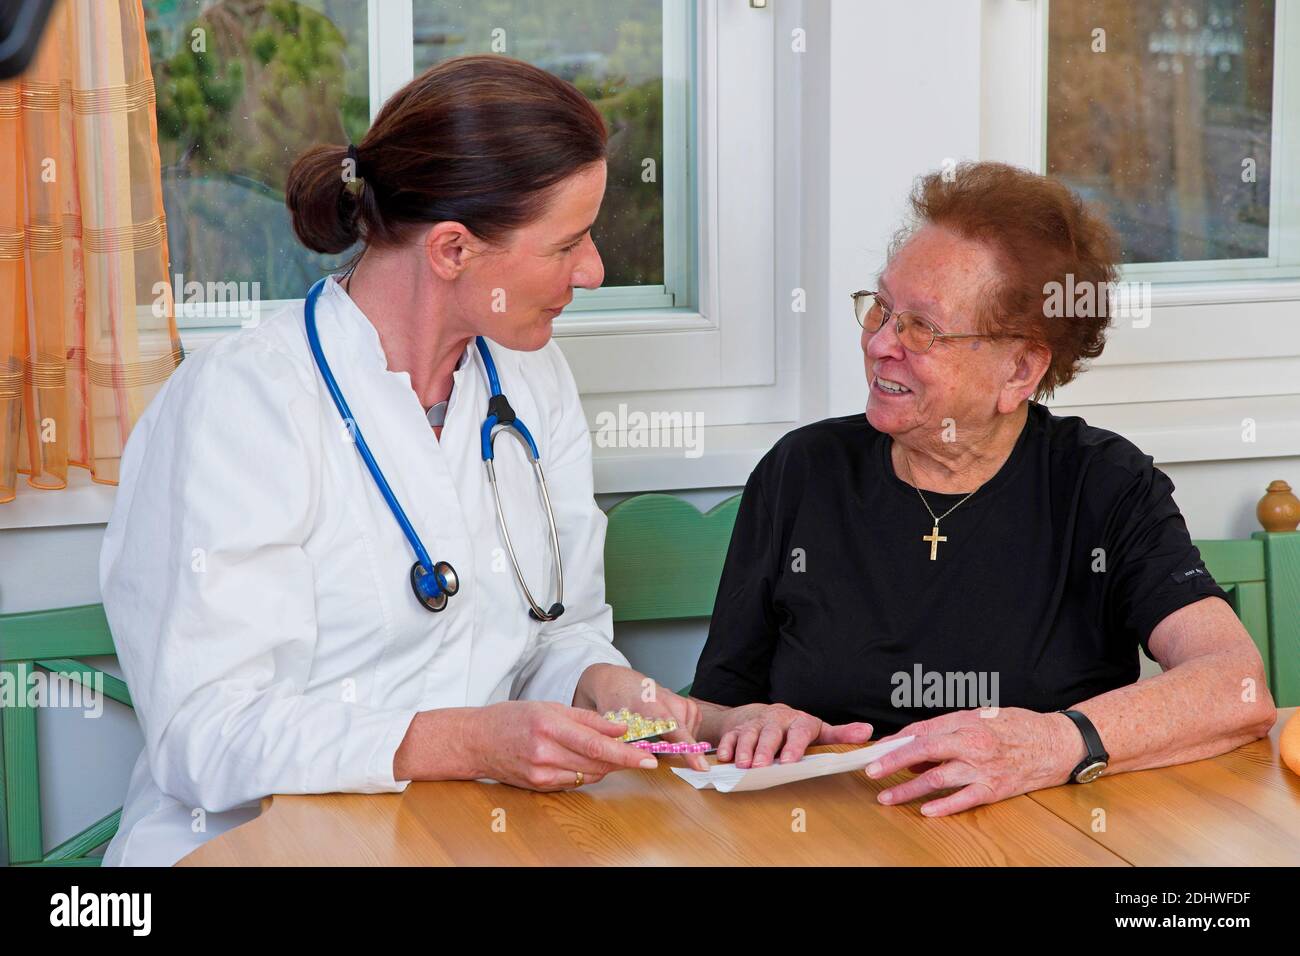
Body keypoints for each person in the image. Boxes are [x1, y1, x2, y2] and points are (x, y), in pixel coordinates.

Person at [100, 55, 703, 867]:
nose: (594, 271)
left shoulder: (530, 382)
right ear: (453, 249)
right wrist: (463, 743)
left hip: (472, 838)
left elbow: (554, 637)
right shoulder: (241, 402)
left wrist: (605, 687)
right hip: (259, 844)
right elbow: (205, 733)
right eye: (568, 244)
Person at [688, 161, 1277, 817]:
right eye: (882, 308)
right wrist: (743, 723)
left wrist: (1058, 742)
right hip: (833, 835)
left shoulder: (1103, 485)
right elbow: (717, 701)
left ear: (1019, 369)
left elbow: (1237, 686)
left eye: (923, 328)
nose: (881, 343)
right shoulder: (804, 471)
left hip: (1048, 839)